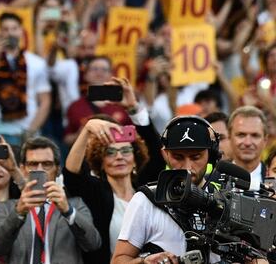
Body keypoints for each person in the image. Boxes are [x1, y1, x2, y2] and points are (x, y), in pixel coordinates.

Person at [63, 78, 161, 264]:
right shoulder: (96, 193)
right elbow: (71, 175)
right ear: (100, 161)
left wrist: (133, 107)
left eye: (125, 150)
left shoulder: (148, 189)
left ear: (135, 158)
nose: (119, 157)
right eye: (110, 152)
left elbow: (155, 153)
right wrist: (86, 131)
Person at [112, 116, 221, 264]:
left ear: (211, 155)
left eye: (196, 157)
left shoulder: (225, 200)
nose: (187, 167)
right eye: (178, 157)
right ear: (165, 154)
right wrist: (144, 261)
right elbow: (118, 261)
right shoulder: (145, 200)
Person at [0, 136, 101, 262]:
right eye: (33, 164)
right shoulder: (6, 208)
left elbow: (93, 243)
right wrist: (18, 213)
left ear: (58, 169)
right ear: (22, 169)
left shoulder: (75, 204)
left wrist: (68, 211)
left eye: (47, 164)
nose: (40, 169)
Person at [0, 12, 51, 144]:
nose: (10, 33)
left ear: (21, 31)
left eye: (14, 28)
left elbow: (45, 101)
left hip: (29, 129)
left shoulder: (36, 62)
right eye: (5, 29)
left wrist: (31, 131)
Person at [226, 106, 268, 188]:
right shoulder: (211, 181)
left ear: (265, 140)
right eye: (241, 135)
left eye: (255, 135)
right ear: (229, 138)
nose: (247, 143)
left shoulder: (273, 177)